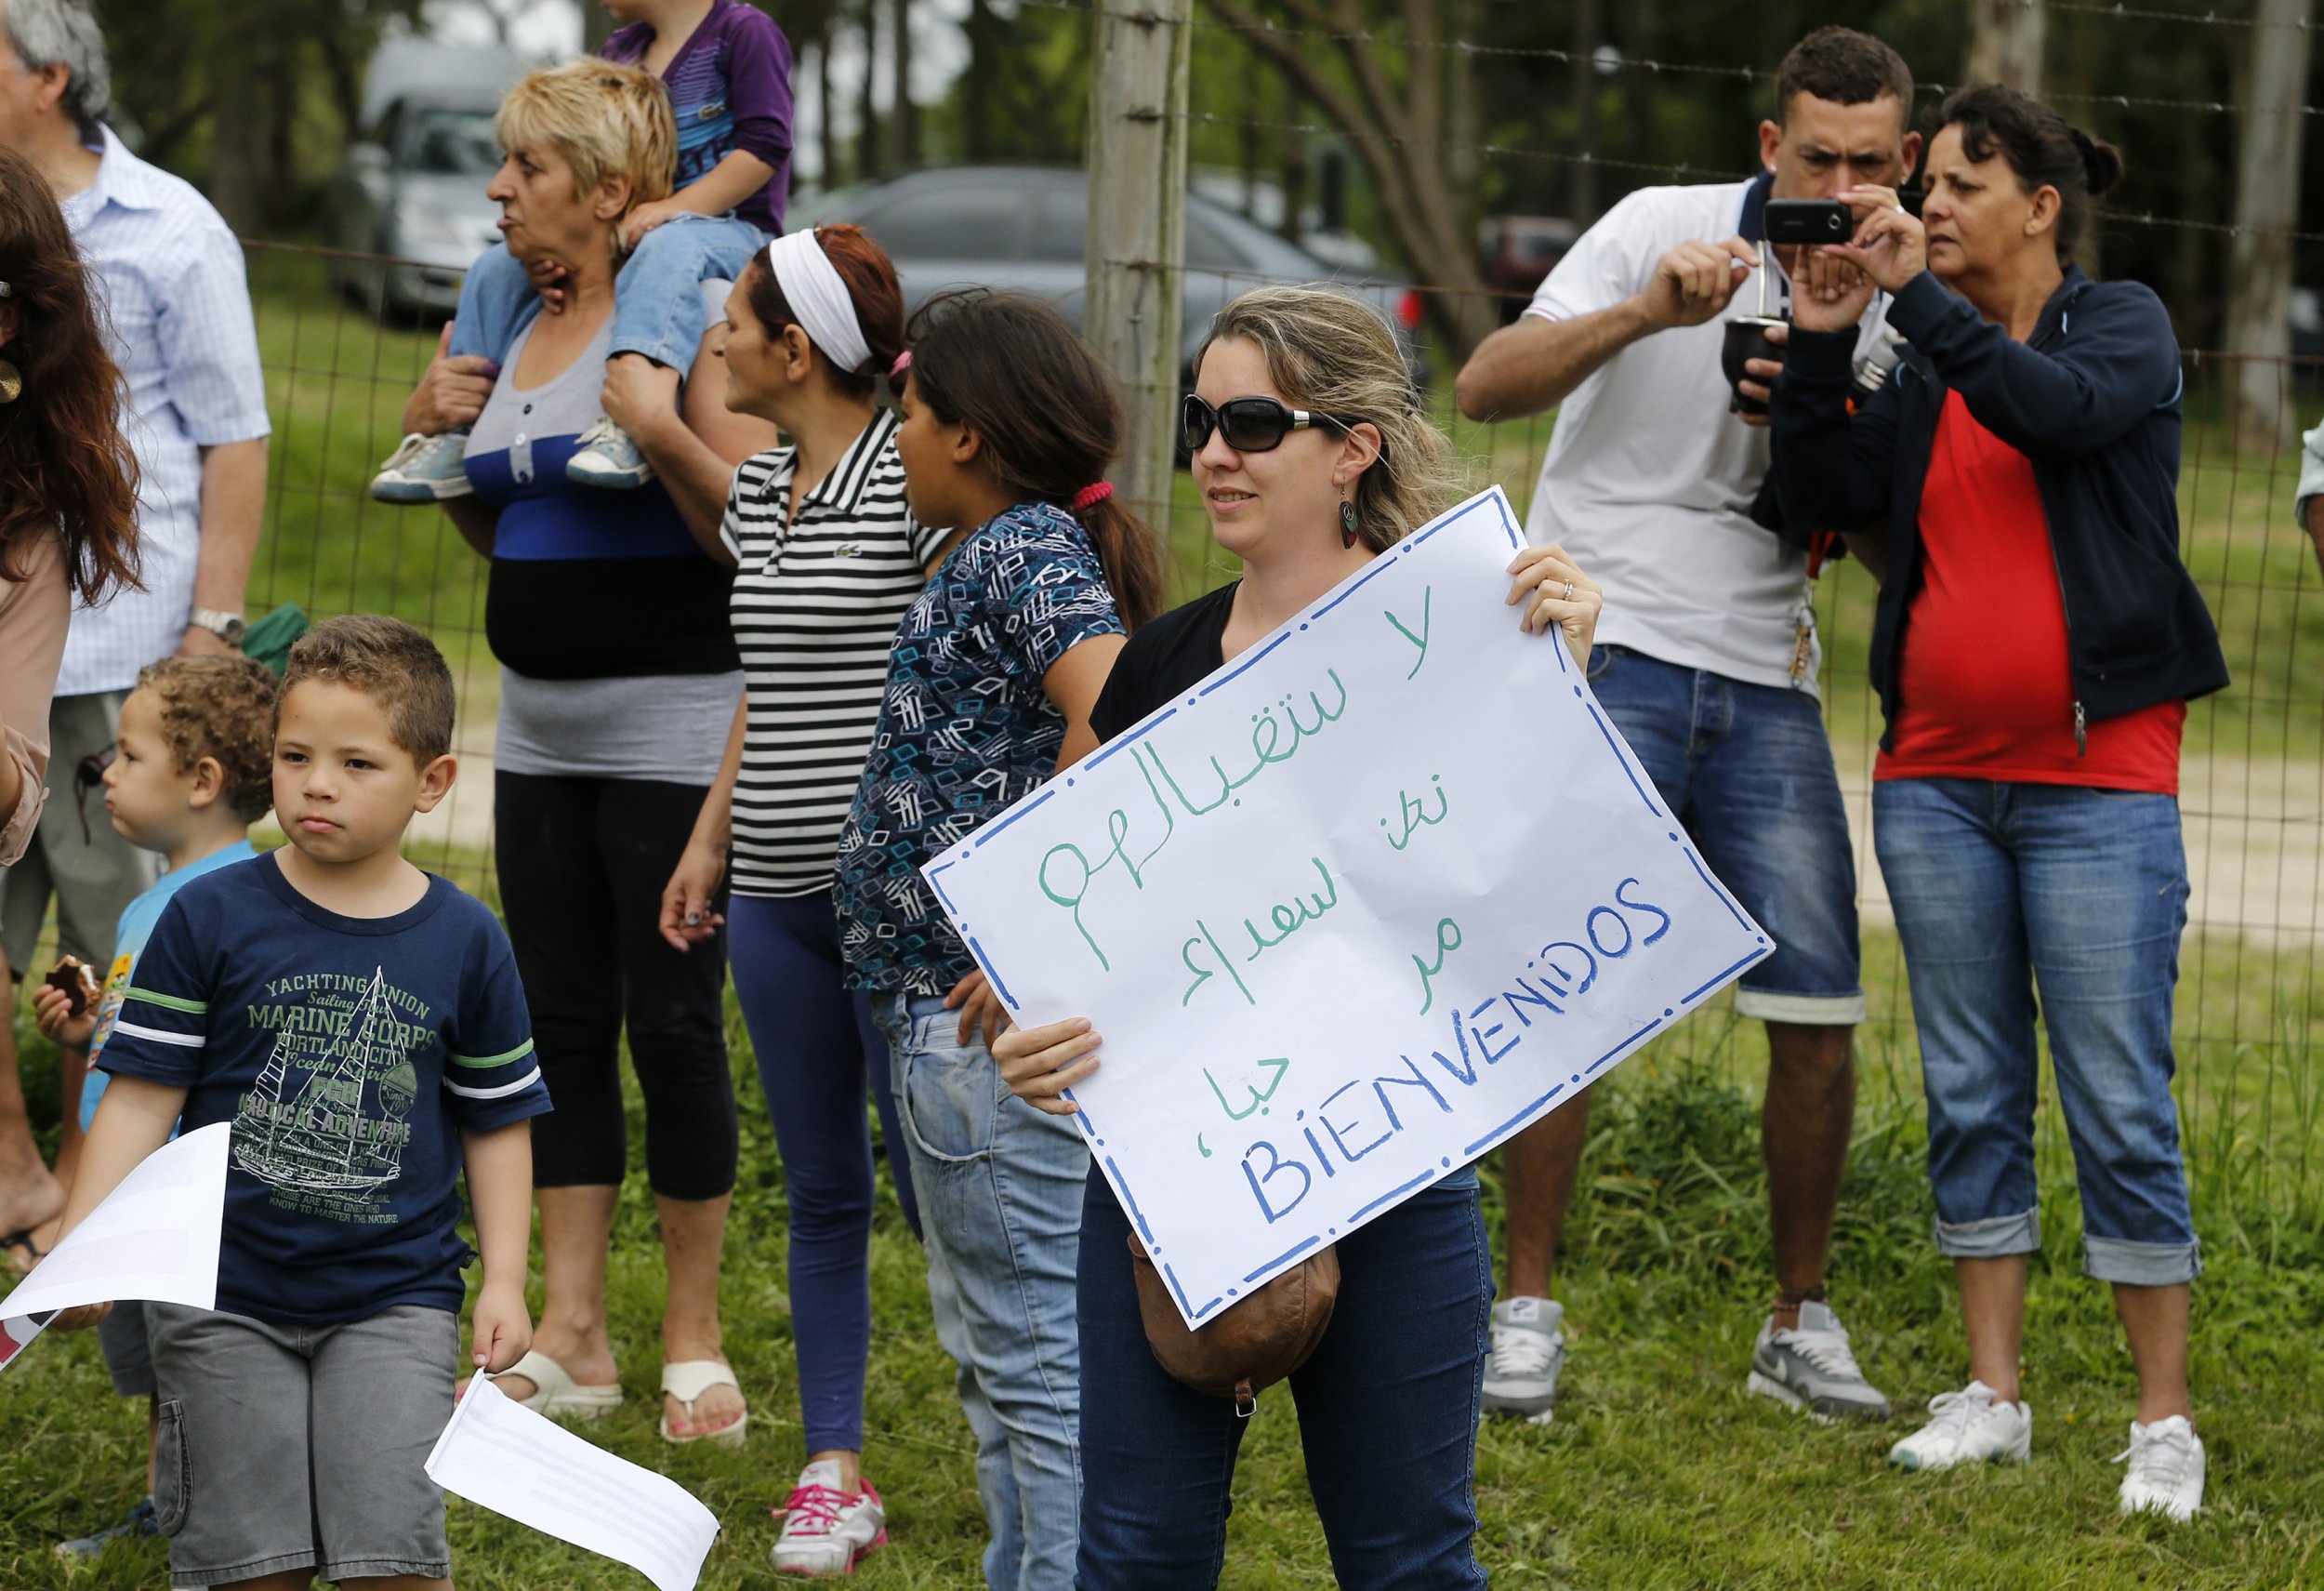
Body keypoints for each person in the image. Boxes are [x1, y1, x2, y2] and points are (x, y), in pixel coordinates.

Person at [995, 285, 1602, 1589]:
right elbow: (1052, 942)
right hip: (1174, 1178)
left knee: (1409, 1559)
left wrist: (1566, 678)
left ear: (1352, 447)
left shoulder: (1468, 636)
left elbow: (1537, 881)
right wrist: (1027, 1030)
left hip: (1392, 1156)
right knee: (1137, 1558)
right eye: (1202, 422)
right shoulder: (1151, 666)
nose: (1216, 452)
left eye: (1254, 422)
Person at [1450, 24, 1920, 1427]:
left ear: (1903, 161)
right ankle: (1523, 1310)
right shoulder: (1662, 226)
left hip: (1768, 670)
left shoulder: (1903, 292)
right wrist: (1649, 313)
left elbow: (1890, 533)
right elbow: (1483, 384)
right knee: (1564, 998)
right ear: (1770, 148)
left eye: (1868, 163)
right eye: (1814, 159)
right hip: (1605, 641)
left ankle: (1799, 1317)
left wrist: (1835, 382)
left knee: (1819, 1006)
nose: (1838, 187)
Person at [1769, 85, 2227, 1520]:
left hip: (2100, 785)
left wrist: (1919, 314)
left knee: (2117, 1099)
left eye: (1963, 184)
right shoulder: (1918, 356)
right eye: (1933, 187)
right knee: (1971, 1088)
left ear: (2041, 207)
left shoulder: (2122, 326)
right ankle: (1996, 1392)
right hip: (1935, 781)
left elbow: (2060, 418)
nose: (1931, 204)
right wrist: (1831, 330)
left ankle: (2164, 1418)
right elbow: (1815, 495)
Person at [399, 56, 773, 1446]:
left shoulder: (688, 318)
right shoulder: (511, 316)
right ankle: (573, 1331)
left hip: (680, 727)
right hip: (541, 733)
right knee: (553, 1026)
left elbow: (748, 531)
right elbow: (506, 527)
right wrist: (445, 430)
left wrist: (656, 424)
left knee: (671, 1026)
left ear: (612, 192)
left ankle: (692, 1339)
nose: (500, 190)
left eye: (530, 169)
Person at [49, 615, 548, 1591]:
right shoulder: (208, 914)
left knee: (392, 1559)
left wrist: (505, 1277)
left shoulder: (467, 939)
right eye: (294, 755)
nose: (317, 782)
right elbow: (144, 1094)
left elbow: (496, 1117)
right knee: (247, 1566)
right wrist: (84, 1242)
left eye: (358, 762)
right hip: (219, 1294)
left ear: (431, 784)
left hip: (394, 1301)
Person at [830, 289, 1166, 1591]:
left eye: (906, 413)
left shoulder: (1023, 551)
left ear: (968, 433)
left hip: (983, 1032)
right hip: (940, 1023)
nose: (894, 436)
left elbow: (1118, 703)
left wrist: (1032, 921)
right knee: (994, 1357)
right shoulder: (990, 549)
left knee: (1035, 1364)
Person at [656, 223, 934, 1574]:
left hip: (900, 904)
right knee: (826, 1184)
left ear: (794, 347)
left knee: (949, 1187)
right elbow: (770, 680)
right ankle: (834, 1466)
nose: (715, 337)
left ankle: (1046, 1416)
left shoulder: (914, 482)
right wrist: (710, 835)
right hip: (770, 890)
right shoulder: (761, 486)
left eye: (735, 318)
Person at [0, 0, 268, 1271]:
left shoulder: (174, 228)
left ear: (51, 77)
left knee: (116, 961)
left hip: (121, 654)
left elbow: (236, 433)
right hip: (17, 624)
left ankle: (119, 1232)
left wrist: (209, 626)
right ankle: (32, 1196)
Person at [30, 654, 275, 1558]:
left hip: (174, 1193)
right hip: (134, 1183)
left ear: (201, 782)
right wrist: (83, 1030)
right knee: (163, 1372)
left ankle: (213, 1525)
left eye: (128, 756)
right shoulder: (159, 903)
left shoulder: (206, 907)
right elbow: (147, 1043)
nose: (106, 772)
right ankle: (167, 1507)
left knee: (191, 1367)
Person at [371, 0, 793, 502]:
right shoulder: (624, 51)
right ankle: (454, 433)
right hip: (644, 228)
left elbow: (767, 144)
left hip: (732, 228)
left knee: (669, 241)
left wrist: (673, 209)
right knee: (491, 266)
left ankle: (631, 416)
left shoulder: (743, 32)